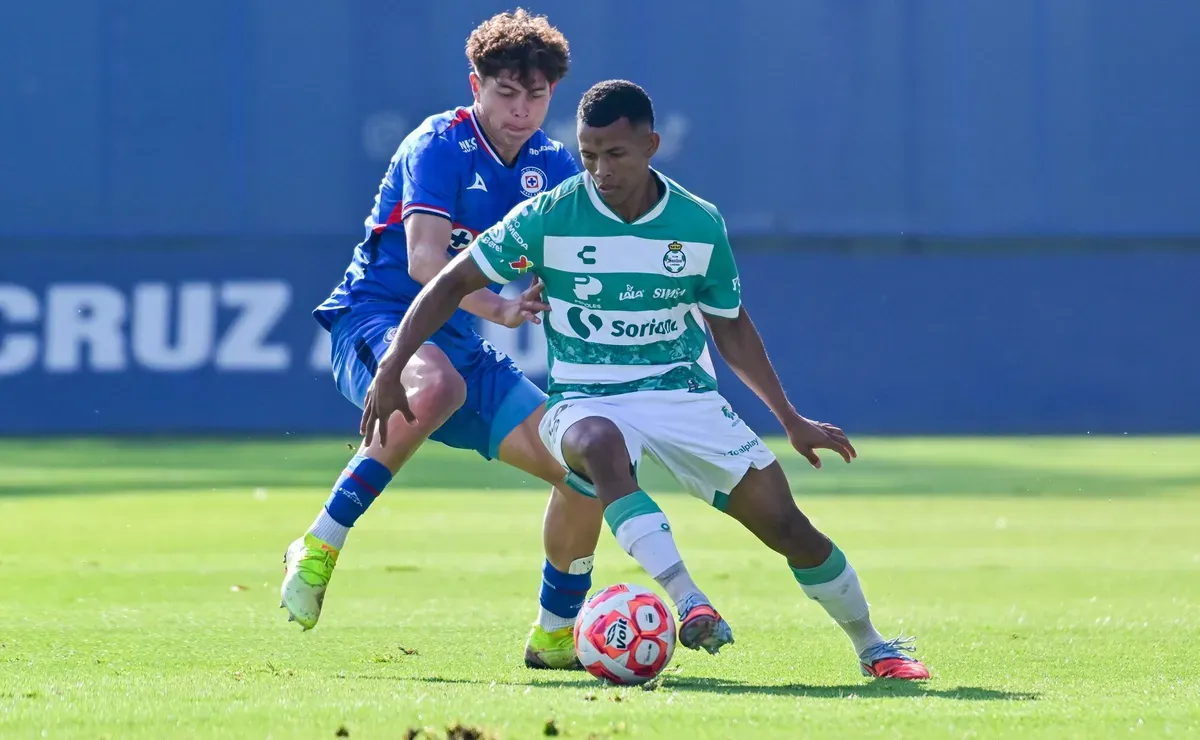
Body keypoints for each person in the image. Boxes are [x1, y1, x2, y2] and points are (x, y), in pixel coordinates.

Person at [360, 79, 932, 680]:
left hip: (682, 396)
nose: (600, 170)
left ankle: (875, 647)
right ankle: (690, 600)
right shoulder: (550, 215)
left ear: (651, 145)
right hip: (583, 397)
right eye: (588, 155)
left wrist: (789, 419)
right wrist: (393, 365)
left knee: (787, 526)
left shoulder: (697, 223)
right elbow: (450, 281)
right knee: (598, 447)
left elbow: (731, 327)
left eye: (615, 154)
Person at [280, 9, 604, 672]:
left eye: (536, 96)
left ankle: (554, 634)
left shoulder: (553, 166)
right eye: (505, 93)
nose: (520, 111)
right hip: (377, 320)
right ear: (476, 85)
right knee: (435, 385)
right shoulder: (438, 144)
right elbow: (426, 261)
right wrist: (501, 306)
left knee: (587, 471)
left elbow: (573, 268)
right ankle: (320, 543)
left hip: (460, 351)